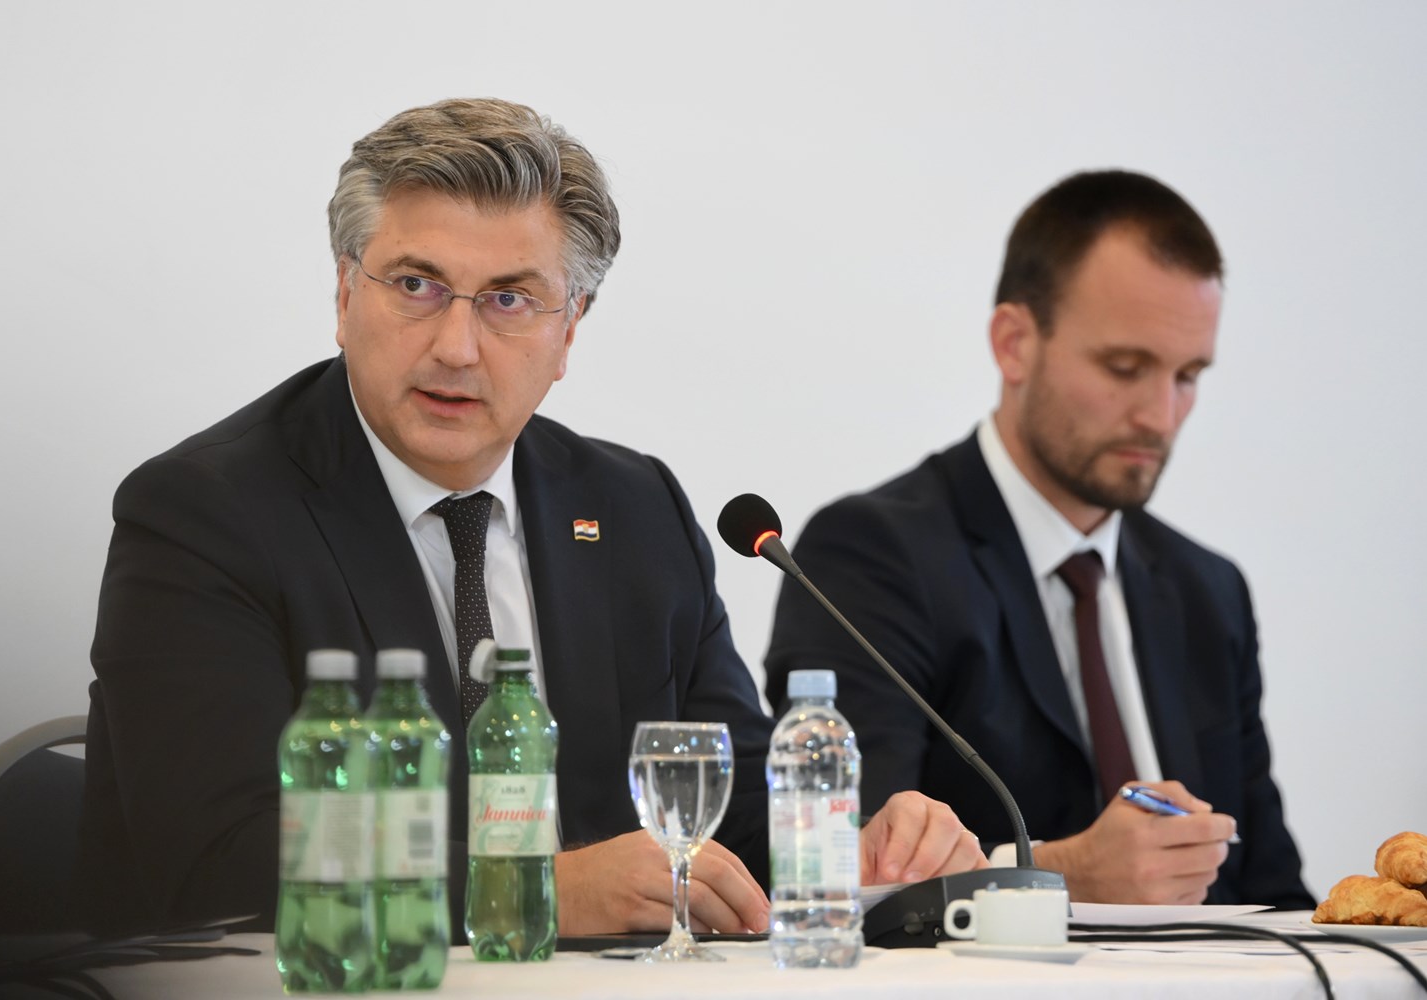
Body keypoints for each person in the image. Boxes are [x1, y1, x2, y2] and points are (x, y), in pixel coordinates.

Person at [76, 97, 986, 939]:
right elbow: (217, 862)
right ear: (346, 295)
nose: (456, 346)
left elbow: (732, 816)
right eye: (416, 285)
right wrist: (539, 890)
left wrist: (853, 849)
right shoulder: (205, 515)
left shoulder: (636, 510)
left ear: (570, 329)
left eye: (509, 300)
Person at [765, 170, 1313, 909]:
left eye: (1188, 376)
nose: (1161, 415)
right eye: (1125, 368)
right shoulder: (872, 553)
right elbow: (850, 868)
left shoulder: (1208, 591)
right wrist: (1061, 875)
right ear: (1015, 343)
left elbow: (1276, 893)